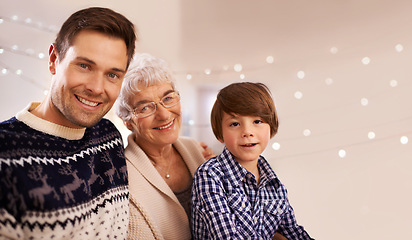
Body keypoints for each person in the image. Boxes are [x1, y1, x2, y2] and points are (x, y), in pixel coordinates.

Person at [0, 7, 136, 239]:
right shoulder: (5, 154)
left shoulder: (109, 135)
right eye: (84, 66)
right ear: (54, 59)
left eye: (112, 75)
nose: (96, 88)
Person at [191, 82, 313, 239]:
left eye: (257, 121)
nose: (247, 132)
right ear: (220, 133)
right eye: (234, 124)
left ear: (271, 126)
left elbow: (293, 232)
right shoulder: (210, 175)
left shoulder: (275, 187)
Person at [115, 53, 215, 240]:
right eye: (145, 107)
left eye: (168, 98)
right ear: (128, 122)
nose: (164, 115)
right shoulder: (122, 178)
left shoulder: (197, 150)